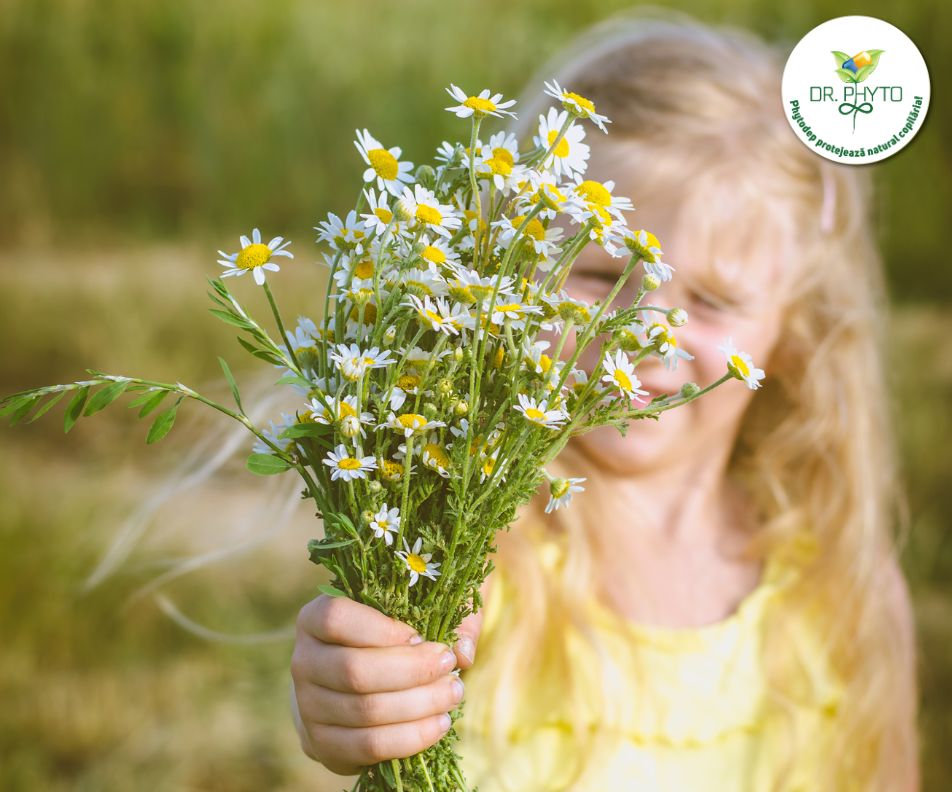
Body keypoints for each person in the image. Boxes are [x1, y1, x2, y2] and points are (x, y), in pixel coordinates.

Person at [289, 9, 920, 791]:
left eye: (715, 300)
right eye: (597, 276)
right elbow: (369, 685)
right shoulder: (464, 559)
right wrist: (347, 701)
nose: (646, 332)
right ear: (504, 272)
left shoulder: (843, 584)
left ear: (795, 333)